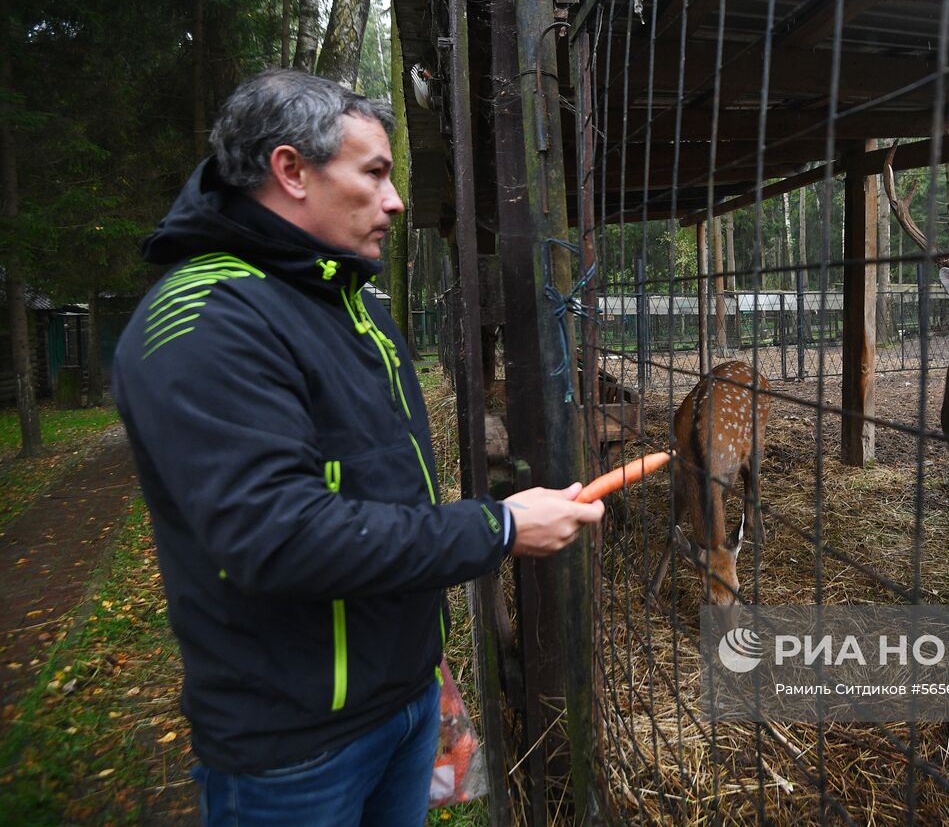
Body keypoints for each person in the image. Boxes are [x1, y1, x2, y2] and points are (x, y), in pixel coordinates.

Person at [112, 68, 603, 826]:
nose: (397, 200)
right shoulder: (207, 317)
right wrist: (496, 527)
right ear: (290, 170)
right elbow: (277, 535)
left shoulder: (353, 309)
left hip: (404, 703)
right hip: (296, 749)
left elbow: (378, 501)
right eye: (374, 172)